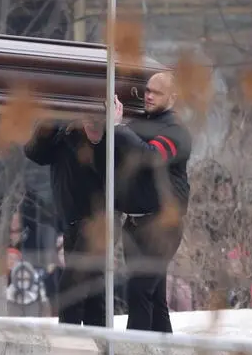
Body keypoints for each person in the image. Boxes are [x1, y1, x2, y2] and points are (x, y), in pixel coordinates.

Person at [101, 72, 192, 333]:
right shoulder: (142, 122)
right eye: (147, 90)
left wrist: (119, 128)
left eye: (157, 92)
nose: (149, 96)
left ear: (173, 98)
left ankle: (134, 348)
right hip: (135, 225)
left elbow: (152, 156)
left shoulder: (177, 132)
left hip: (162, 226)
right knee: (154, 299)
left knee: (139, 292)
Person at [24, 116, 108, 326]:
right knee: (92, 291)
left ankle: (68, 343)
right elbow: (35, 153)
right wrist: (51, 125)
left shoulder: (99, 129)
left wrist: (76, 133)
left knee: (70, 286)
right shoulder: (60, 128)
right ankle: (97, 344)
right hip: (71, 220)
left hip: (97, 221)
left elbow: (98, 163)